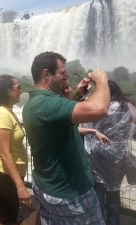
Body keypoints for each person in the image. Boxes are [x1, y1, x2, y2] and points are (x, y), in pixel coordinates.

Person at [22, 51, 110, 224]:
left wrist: (77, 96)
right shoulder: (48, 104)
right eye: (62, 73)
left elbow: (63, 120)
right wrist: (102, 81)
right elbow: (100, 109)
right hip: (70, 193)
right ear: (46, 75)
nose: (65, 78)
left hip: (46, 185)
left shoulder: (34, 102)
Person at [83, 80, 135, 225]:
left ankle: (97, 222)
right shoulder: (126, 106)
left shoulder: (97, 107)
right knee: (113, 193)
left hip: (97, 155)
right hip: (117, 158)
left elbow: (84, 126)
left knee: (98, 192)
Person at [0, 74, 31, 225]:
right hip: (4, 176)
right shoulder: (2, 114)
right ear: (7, 91)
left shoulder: (7, 111)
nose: (21, 91)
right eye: (18, 88)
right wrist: (20, 187)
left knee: (5, 213)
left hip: (7, 175)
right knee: (9, 217)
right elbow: (4, 152)